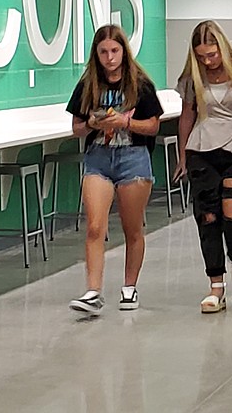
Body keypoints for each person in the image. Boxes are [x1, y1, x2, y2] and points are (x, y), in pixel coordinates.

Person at [67, 25, 163, 315]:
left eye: (115, 51)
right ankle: (93, 291)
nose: (110, 58)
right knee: (95, 226)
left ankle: (129, 287)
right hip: (98, 157)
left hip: (133, 156)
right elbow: (76, 128)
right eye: (103, 52)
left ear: (124, 51)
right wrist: (94, 125)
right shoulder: (88, 85)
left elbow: (153, 125)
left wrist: (125, 123)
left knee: (132, 227)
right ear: (96, 54)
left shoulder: (140, 84)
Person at [174, 20, 232, 314]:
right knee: (207, 217)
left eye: (212, 54)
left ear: (222, 47)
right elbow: (187, 116)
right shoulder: (192, 77)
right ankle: (216, 285)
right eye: (201, 56)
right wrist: (182, 156)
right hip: (202, 149)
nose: (208, 60)